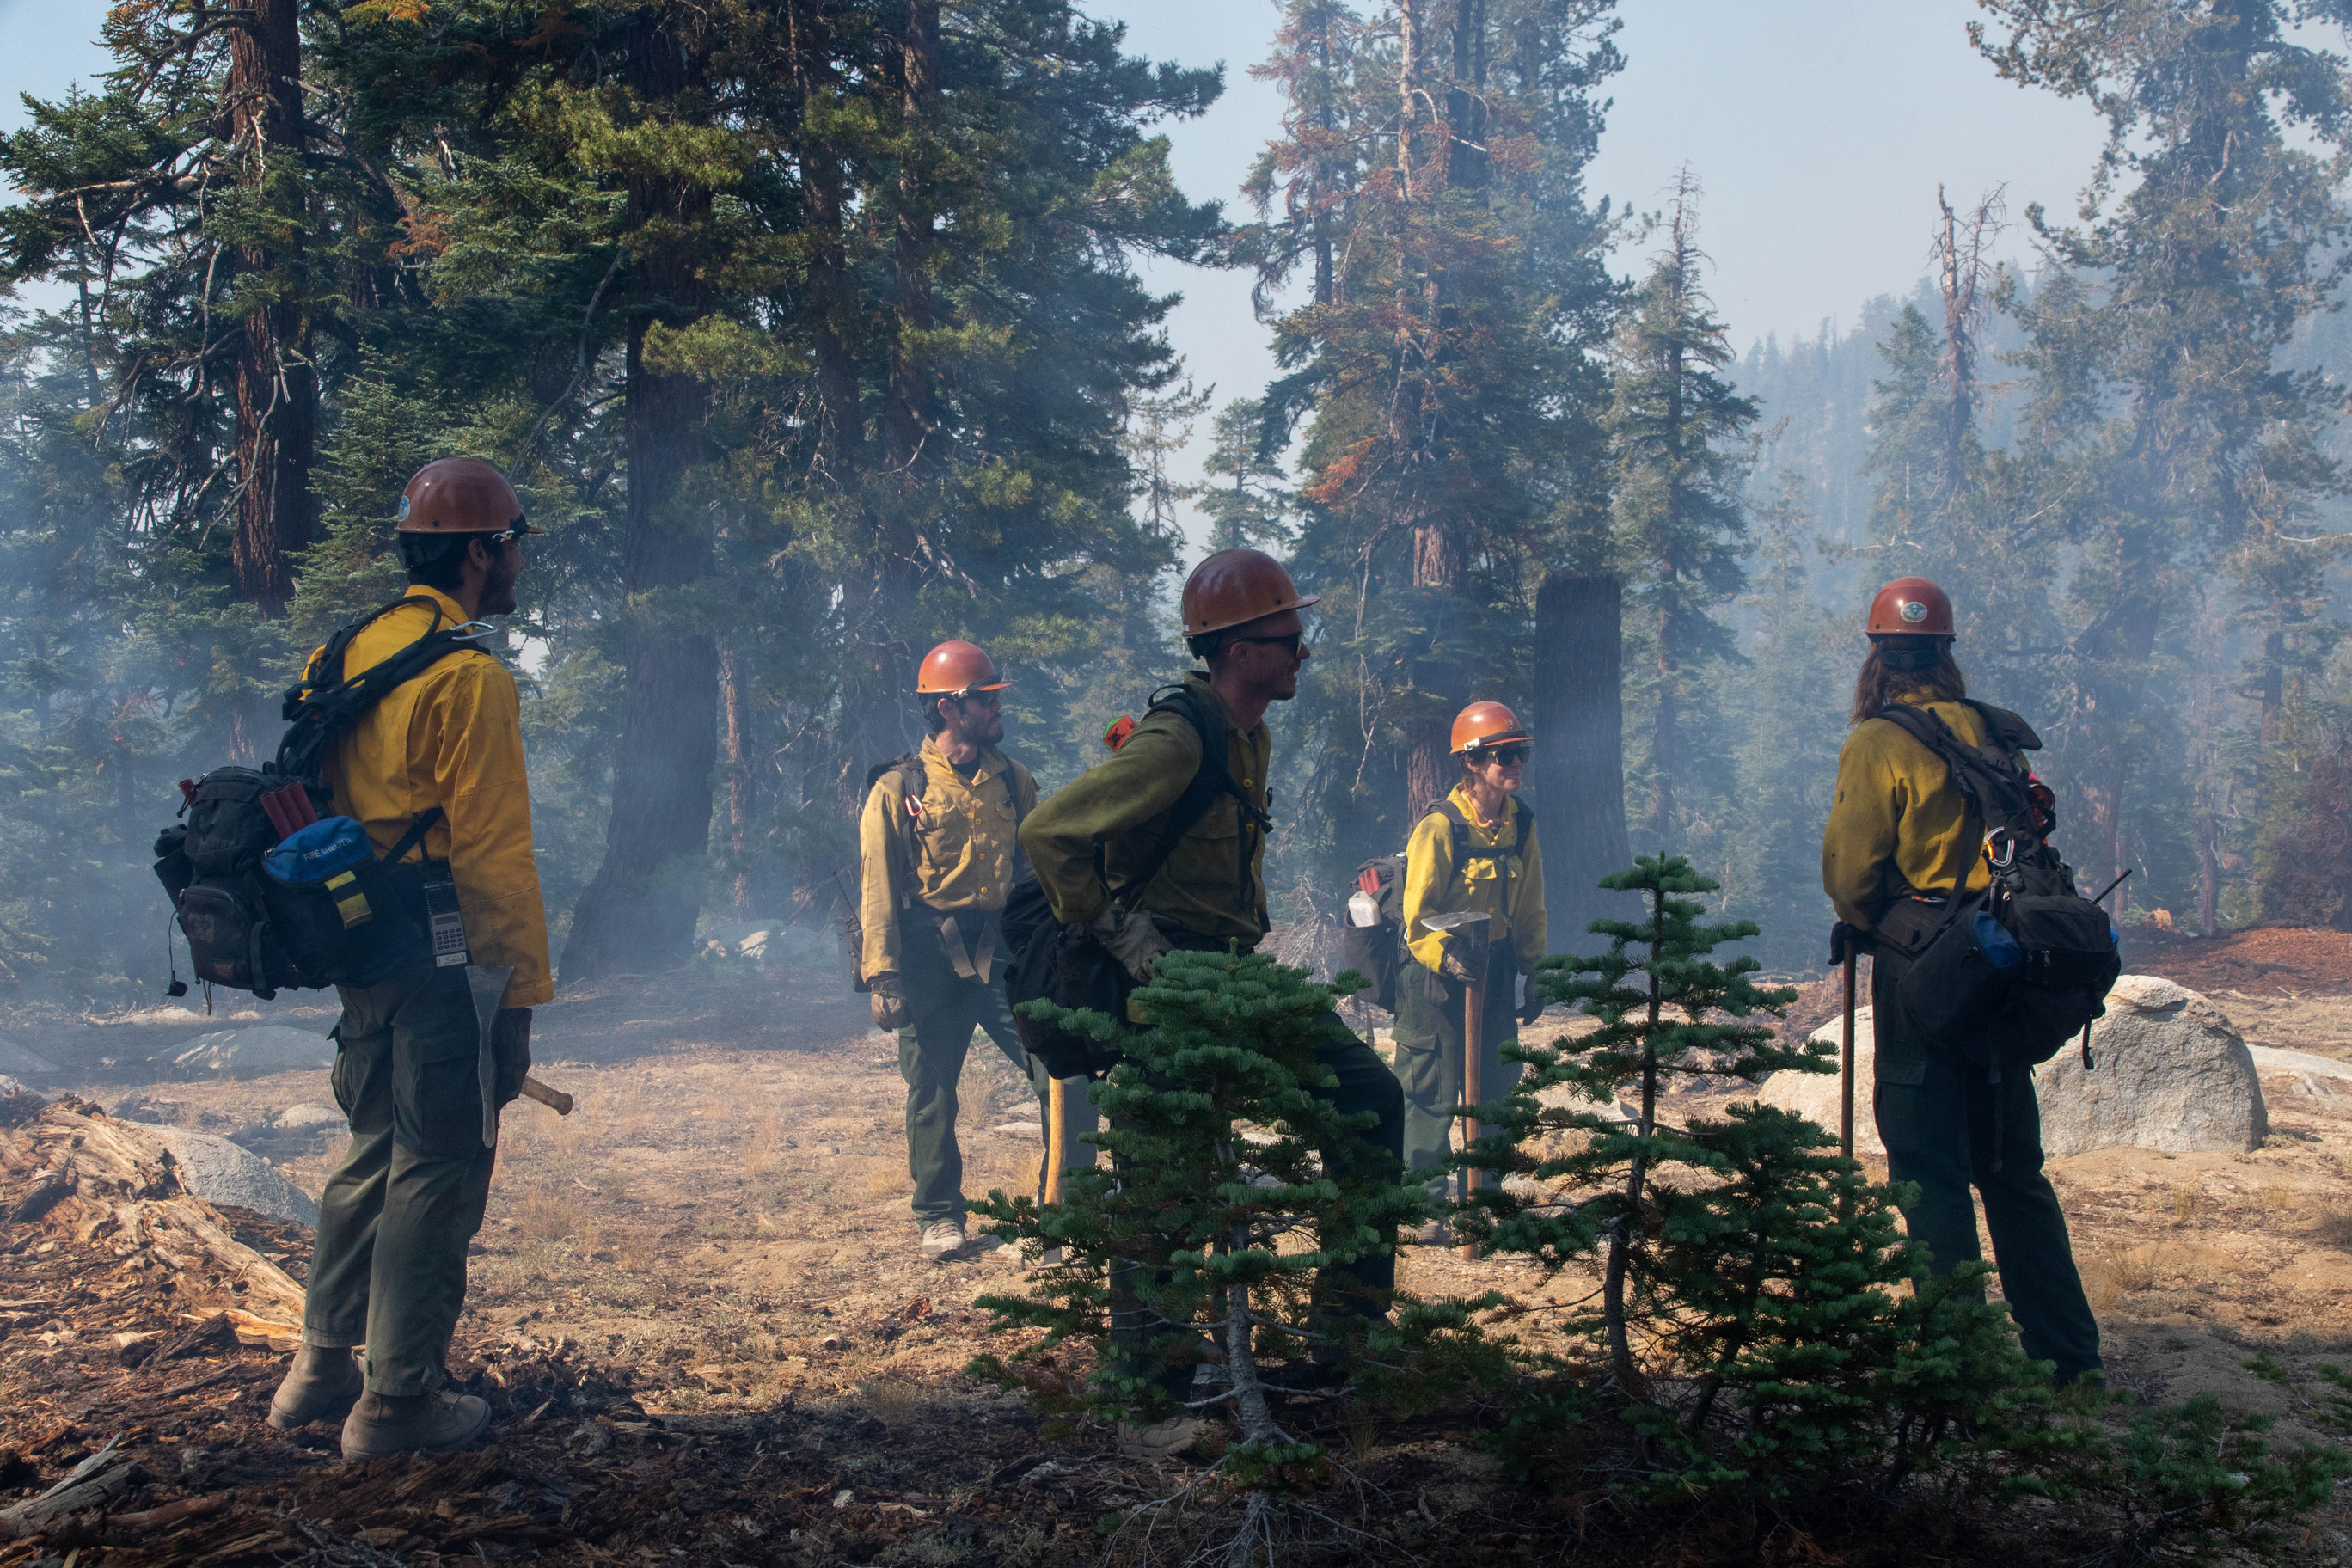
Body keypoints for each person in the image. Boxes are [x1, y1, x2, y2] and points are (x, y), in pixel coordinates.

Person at [1020, 548, 1406, 1456]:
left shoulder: (1251, 732)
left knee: (1368, 1099)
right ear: (1236, 651)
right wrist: (1118, 933)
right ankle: (1145, 1405)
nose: (1301, 653)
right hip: (1169, 981)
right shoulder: (1178, 738)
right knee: (1161, 1181)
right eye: (1286, 639)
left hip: (1234, 969)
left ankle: (1342, 1341)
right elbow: (1049, 832)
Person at [266, 457, 551, 1458]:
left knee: (372, 1146)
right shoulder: (465, 676)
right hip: (439, 943)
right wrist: (514, 995)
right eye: (512, 543)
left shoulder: (344, 652)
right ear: (480, 552)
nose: (517, 561)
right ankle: (397, 1408)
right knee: (438, 1160)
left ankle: (318, 1370)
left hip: (356, 940)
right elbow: (493, 850)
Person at [1821, 575, 2102, 1386]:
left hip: (1925, 974)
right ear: (1945, 657)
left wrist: (1872, 919)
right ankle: (2071, 1364)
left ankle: (1962, 1366)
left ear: (1877, 659)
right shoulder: (1992, 731)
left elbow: (1850, 873)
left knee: (1926, 1164)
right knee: (2013, 1172)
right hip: (2008, 962)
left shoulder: (1878, 742)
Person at [859, 640, 1094, 1263]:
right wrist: (883, 975)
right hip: (926, 957)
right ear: (947, 708)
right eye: (983, 698)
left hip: (1002, 954)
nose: (995, 707)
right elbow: (878, 882)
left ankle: (1065, 1216)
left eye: (993, 696)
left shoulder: (1013, 780)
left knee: (1061, 1072)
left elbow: (1041, 869)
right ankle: (939, 1216)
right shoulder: (897, 787)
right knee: (932, 1088)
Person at [1393, 701, 1547, 1240]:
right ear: (1472, 762)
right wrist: (1447, 955)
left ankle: (1486, 1200)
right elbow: (1416, 921)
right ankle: (1421, 1209)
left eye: (1520, 753)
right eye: (1504, 755)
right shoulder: (1440, 827)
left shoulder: (1520, 822)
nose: (1515, 764)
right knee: (1430, 1090)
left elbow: (1530, 905)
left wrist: (1534, 967)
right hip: (1434, 975)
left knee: (1498, 1088)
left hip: (1496, 969)